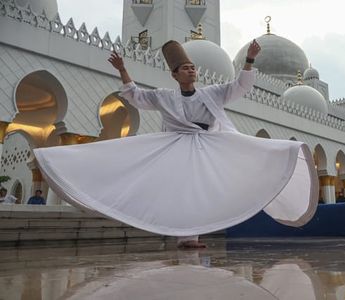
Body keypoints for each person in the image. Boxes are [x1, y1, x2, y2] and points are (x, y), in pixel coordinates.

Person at [34, 40, 319, 249]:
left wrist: (250, 60)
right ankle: (187, 237)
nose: (191, 71)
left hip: (210, 145)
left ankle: (195, 233)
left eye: (193, 68)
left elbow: (239, 87)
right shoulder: (165, 96)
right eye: (185, 68)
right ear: (175, 74)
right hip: (179, 147)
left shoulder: (212, 94)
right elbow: (135, 96)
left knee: (257, 159)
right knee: (184, 191)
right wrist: (123, 69)